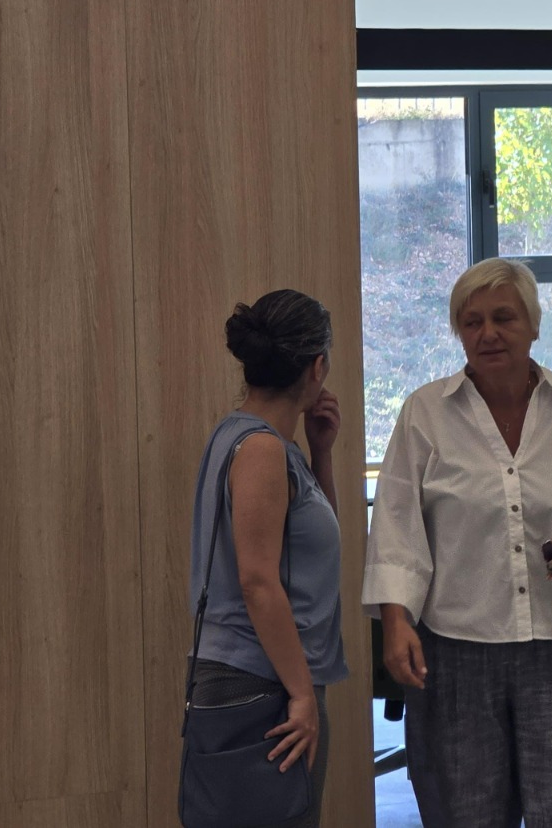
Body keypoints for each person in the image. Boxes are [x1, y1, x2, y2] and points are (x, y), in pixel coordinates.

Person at [363, 257, 552, 828]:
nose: (488, 333)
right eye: (471, 322)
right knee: (466, 809)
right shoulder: (425, 413)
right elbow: (396, 525)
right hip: (458, 648)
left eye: (504, 317)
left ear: (534, 325)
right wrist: (395, 621)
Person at [188, 289, 349, 827]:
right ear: (317, 366)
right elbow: (258, 581)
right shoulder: (261, 449)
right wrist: (302, 695)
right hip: (265, 682)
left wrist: (322, 452)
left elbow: (311, 551)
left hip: (266, 676)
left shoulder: (255, 440)